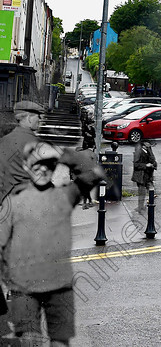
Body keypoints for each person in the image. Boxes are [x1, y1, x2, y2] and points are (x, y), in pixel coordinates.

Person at [0, 142, 103, 346]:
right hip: (25, 287)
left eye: (48, 165)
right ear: (27, 168)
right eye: (37, 165)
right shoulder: (13, 201)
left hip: (60, 285)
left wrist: (63, 153)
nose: (43, 170)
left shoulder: (64, 196)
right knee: (30, 340)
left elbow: (95, 173)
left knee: (60, 342)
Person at [0, 101, 44, 204]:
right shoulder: (34, 143)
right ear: (29, 118)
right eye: (38, 117)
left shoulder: (5, 139)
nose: (40, 120)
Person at [131, 141, 157, 213]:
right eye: (147, 145)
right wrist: (145, 165)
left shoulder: (149, 152)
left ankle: (150, 205)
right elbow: (136, 165)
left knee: (151, 191)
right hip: (141, 175)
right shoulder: (138, 152)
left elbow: (153, 160)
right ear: (143, 145)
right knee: (142, 192)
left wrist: (150, 152)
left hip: (148, 175)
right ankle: (140, 207)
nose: (149, 146)